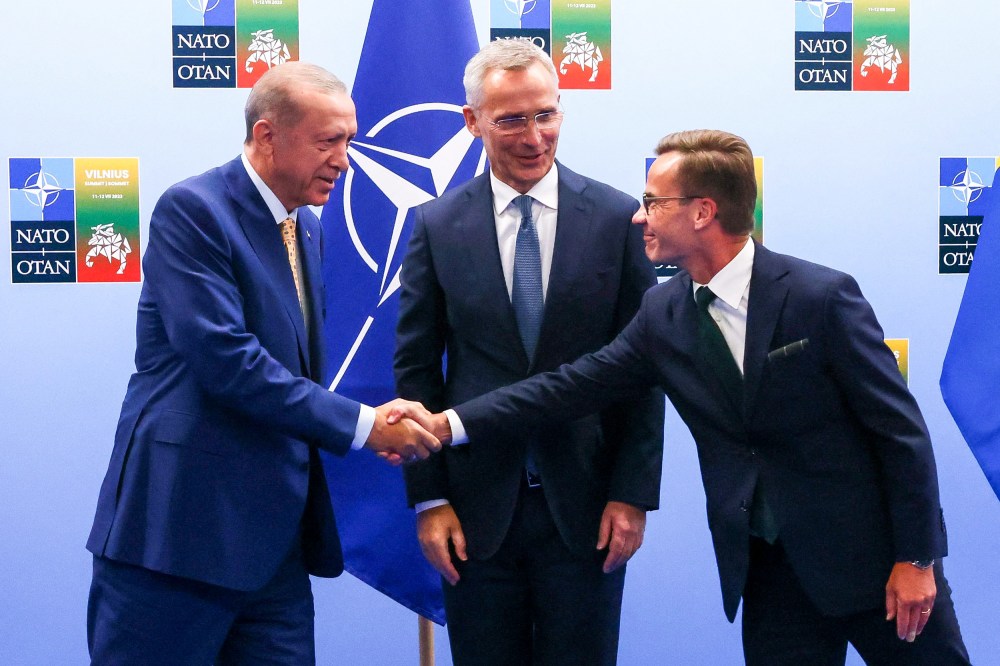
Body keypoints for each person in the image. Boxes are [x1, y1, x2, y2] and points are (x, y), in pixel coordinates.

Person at [407, 130, 970, 664]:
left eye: (653, 202)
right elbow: (568, 387)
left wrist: (916, 557)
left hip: (879, 565)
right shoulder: (664, 313)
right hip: (768, 572)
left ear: (702, 212)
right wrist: (447, 424)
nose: (637, 215)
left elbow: (900, 435)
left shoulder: (819, 297)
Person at [85, 62, 440, 664]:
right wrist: (362, 424)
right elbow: (227, 361)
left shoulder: (307, 227)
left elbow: (293, 372)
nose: (344, 161)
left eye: (349, 141)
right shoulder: (193, 210)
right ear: (267, 134)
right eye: (328, 141)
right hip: (179, 536)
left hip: (274, 550)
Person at [393, 40, 663, 666]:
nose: (533, 136)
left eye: (546, 114)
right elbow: (414, 370)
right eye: (511, 119)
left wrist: (632, 493)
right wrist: (430, 499)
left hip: (589, 510)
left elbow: (644, 373)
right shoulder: (435, 225)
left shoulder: (617, 217)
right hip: (474, 514)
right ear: (473, 122)